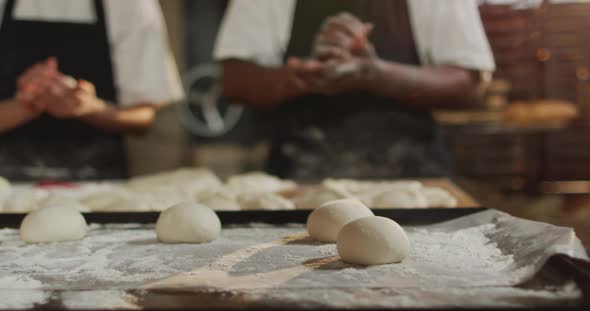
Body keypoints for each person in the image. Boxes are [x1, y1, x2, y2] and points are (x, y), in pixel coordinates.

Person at [214, 0, 495, 180]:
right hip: (297, 182)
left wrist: (375, 74)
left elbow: (469, 85)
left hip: (417, 180)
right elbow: (235, 81)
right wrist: (303, 77)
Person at [0, 0, 183, 181]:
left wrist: (91, 108)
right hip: (6, 188)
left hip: (101, 185)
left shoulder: (131, 4)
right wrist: (26, 105)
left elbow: (143, 118)